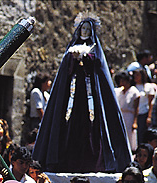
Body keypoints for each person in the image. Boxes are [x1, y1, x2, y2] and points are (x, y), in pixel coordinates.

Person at [33, 14, 131, 173]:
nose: (84, 31)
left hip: (91, 95)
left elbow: (98, 70)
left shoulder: (95, 49)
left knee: (93, 125)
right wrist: (73, 58)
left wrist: (86, 59)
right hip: (72, 95)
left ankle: (97, 162)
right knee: (68, 122)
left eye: (87, 29)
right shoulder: (71, 48)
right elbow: (66, 71)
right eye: (82, 28)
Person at [115, 71, 140, 151]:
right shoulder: (118, 91)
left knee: (129, 134)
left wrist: (135, 122)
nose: (121, 82)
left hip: (129, 115)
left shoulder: (134, 91)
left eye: (123, 80)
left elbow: (136, 108)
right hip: (120, 114)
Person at [132, 68, 155, 145]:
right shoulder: (133, 87)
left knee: (142, 133)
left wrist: (149, 116)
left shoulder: (147, 86)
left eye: (137, 75)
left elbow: (150, 102)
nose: (136, 77)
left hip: (143, 113)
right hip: (133, 114)